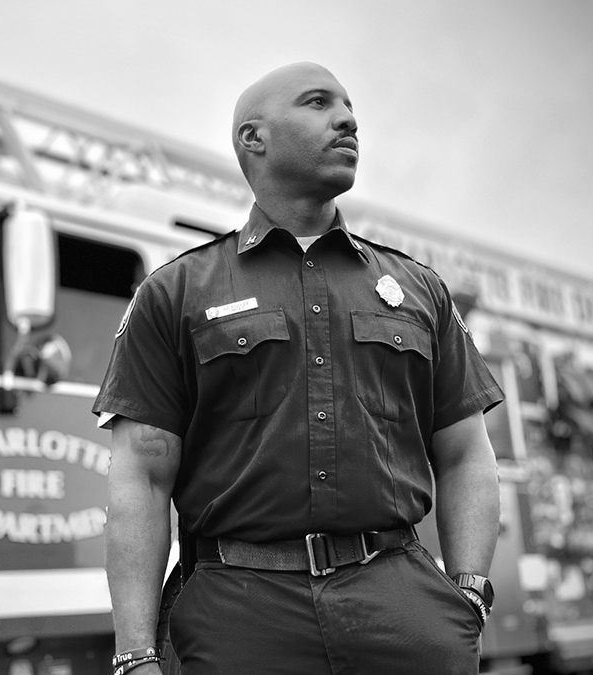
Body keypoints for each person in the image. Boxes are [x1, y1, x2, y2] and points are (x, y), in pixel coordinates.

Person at [94, 61, 504, 675]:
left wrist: (467, 593)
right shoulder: (175, 292)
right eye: (318, 102)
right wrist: (136, 654)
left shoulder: (420, 290)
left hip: (403, 606)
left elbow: (466, 454)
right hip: (238, 613)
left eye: (348, 105)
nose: (348, 118)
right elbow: (141, 479)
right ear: (251, 138)